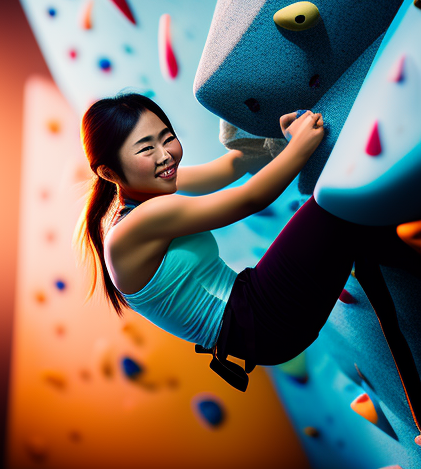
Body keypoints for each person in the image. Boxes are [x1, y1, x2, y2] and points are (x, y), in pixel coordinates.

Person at [72, 92, 421, 398]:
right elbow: (248, 199)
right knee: (332, 203)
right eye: (147, 148)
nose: (166, 156)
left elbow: (234, 165)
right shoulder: (136, 224)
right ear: (108, 172)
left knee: (351, 224)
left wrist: (275, 140)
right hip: (260, 320)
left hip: (254, 314)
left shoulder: (151, 185)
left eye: (168, 138)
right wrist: (301, 144)